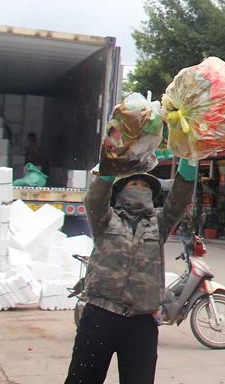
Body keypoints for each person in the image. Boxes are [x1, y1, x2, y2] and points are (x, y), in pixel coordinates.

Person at [63, 158, 197, 384]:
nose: (140, 190)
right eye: (133, 185)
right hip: (101, 315)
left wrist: (189, 159)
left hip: (141, 322)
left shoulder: (159, 223)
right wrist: (111, 159)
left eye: (145, 187)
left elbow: (180, 199)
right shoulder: (106, 221)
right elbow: (95, 199)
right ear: (119, 192)